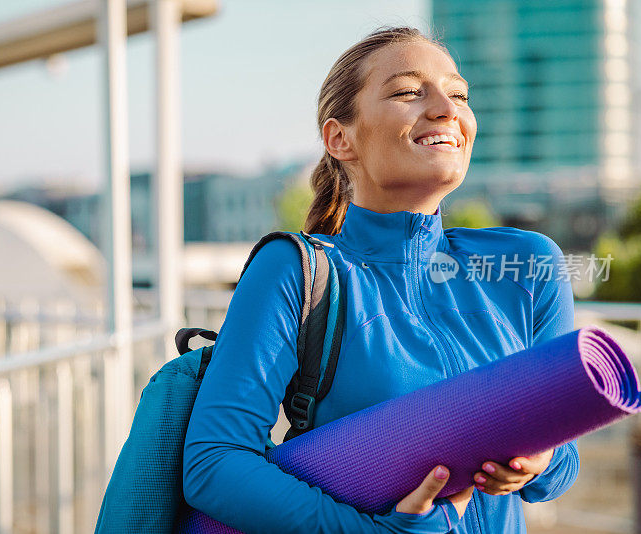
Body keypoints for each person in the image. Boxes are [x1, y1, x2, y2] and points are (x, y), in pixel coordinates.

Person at [182, 27, 579, 533]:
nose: (446, 110)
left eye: (458, 94)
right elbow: (214, 462)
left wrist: (538, 462)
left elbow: (562, 466)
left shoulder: (530, 264)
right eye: (409, 92)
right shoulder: (293, 270)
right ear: (339, 138)